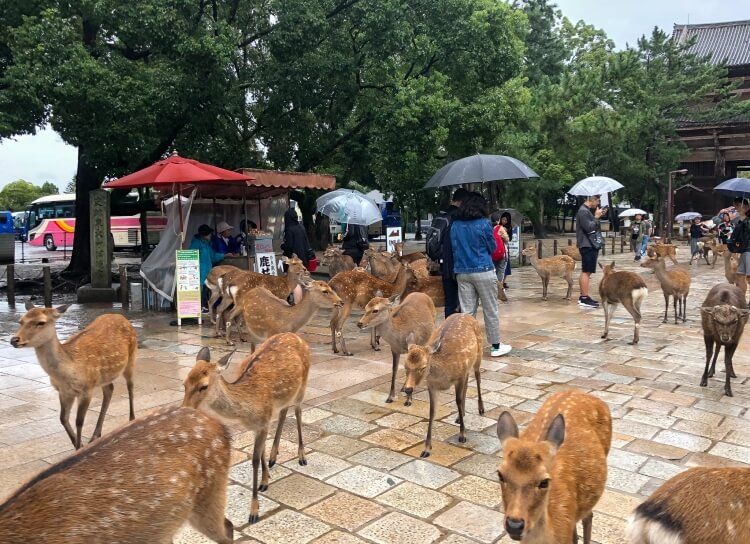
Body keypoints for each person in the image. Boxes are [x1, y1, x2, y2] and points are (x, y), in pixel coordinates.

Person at [451, 192, 511, 357]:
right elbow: (492, 248)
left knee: (467, 312)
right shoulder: (484, 224)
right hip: (483, 270)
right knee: (490, 309)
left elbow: (454, 248)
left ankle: (466, 347)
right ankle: (496, 347)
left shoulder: (455, 225)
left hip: (462, 272)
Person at [427, 187, 468, 318]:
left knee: (449, 302)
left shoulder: (440, 215)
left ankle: (447, 332)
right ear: (462, 201)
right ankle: (458, 332)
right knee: (461, 301)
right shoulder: (457, 217)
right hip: (456, 263)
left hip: (444, 264)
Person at [576, 195, 605, 309]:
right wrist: (596, 217)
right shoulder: (583, 211)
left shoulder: (586, 211)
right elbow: (589, 228)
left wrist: (596, 216)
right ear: (591, 199)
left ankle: (584, 296)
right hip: (587, 244)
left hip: (589, 244)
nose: (597, 203)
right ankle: (584, 298)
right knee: (586, 271)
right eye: (597, 200)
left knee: (586, 271)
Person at [189, 224, 227, 311]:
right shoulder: (196, 243)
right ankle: (200, 307)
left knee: (205, 289)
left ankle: (203, 306)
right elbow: (190, 256)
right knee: (201, 289)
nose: (211, 236)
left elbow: (213, 256)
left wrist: (223, 255)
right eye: (209, 234)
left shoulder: (206, 244)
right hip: (199, 271)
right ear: (204, 234)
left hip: (206, 271)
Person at [732, 199, 750, 298]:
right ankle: (741, 299)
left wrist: (744, 218)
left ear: (741, 205)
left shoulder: (746, 218)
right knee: (739, 275)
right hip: (744, 249)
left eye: (736, 207)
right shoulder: (744, 217)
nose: (736, 209)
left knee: (749, 277)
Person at [490, 211, 509, 302]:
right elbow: (507, 239)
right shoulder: (500, 228)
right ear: (498, 220)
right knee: (501, 272)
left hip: (493, 253)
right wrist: (504, 233)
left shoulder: (489, 228)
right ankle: (499, 291)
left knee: (493, 272)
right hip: (502, 253)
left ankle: (492, 291)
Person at [500, 211, 513, 289]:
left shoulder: (509, 227)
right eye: (503, 219)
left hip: (505, 247)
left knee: (506, 264)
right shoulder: (497, 226)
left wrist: (506, 233)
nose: (504, 221)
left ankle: (503, 281)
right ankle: (499, 281)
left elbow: (510, 238)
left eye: (506, 220)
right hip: (498, 247)